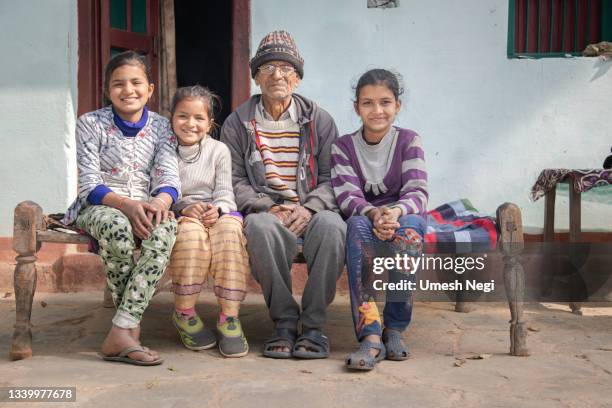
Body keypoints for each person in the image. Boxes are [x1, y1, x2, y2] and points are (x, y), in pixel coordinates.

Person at [220, 30, 346, 359]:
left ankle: (315, 326)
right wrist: (268, 206)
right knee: (259, 228)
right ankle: (286, 322)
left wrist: (310, 208)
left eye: (287, 69)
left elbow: (333, 177)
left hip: (312, 209)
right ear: (256, 77)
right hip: (267, 211)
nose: (278, 75)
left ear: (298, 79)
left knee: (333, 227)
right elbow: (232, 179)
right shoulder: (237, 122)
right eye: (268, 68)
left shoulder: (319, 120)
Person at [61, 51, 180, 366]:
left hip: (147, 205)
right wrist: (127, 206)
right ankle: (128, 330)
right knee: (117, 229)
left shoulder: (163, 127)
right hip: (100, 205)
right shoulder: (90, 124)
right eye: (118, 84)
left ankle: (121, 329)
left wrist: (158, 203)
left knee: (165, 229)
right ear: (107, 90)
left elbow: (169, 177)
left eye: (136, 82)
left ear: (150, 89)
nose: (128, 90)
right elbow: (89, 184)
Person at [331, 69, 428, 370]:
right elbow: (347, 197)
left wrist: (395, 213)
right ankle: (371, 334)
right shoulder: (343, 146)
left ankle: (395, 328)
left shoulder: (409, 141)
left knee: (410, 232)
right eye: (367, 103)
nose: (377, 110)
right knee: (357, 228)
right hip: (365, 217)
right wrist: (374, 214)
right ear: (356, 107)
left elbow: (418, 192)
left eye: (385, 102)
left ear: (397, 106)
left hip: (403, 216)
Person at [166, 85, 250, 357]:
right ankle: (185, 312)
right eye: (183, 116)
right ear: (171, 118)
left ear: (210, 123)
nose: (190, 124)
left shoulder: (219, 151)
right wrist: (183, 210)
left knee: (229, 233)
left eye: (199, 118)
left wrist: (220, 209)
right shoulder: (164, 149)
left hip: (216, 211)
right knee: (191, 238)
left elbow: (225, 191)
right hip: (182, 213)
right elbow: (160, 188)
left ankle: (229, 317)